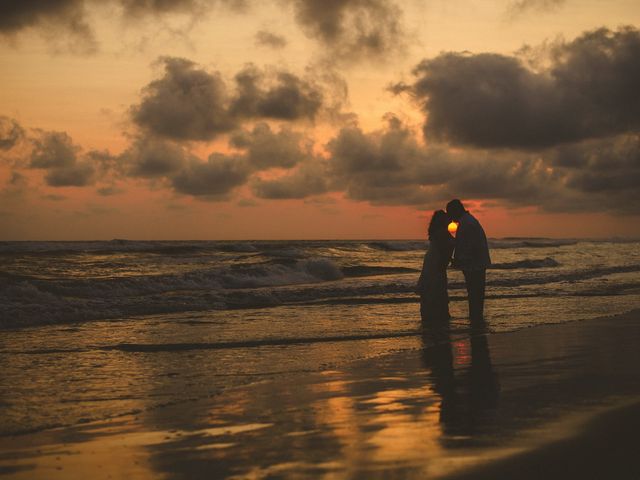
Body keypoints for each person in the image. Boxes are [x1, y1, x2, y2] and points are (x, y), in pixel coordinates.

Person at [446, 199, 491, 327]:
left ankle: (476, 322)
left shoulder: (466, 224)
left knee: (475, 295)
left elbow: (470, 247)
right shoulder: (468, 221)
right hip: (476, 264)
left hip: (474, 266)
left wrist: (459, 260)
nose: (449, 216)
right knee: (475, 295)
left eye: (450, 213)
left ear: (455, 211)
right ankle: (476, 320)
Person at [417, 210, 455, 326]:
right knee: (436, 290)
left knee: (431, 291)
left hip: (431, 262)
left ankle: (430, 319)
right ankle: (438, 320)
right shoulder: (442, 233)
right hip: (435, 264)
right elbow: (451, 245)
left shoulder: (437, 233)